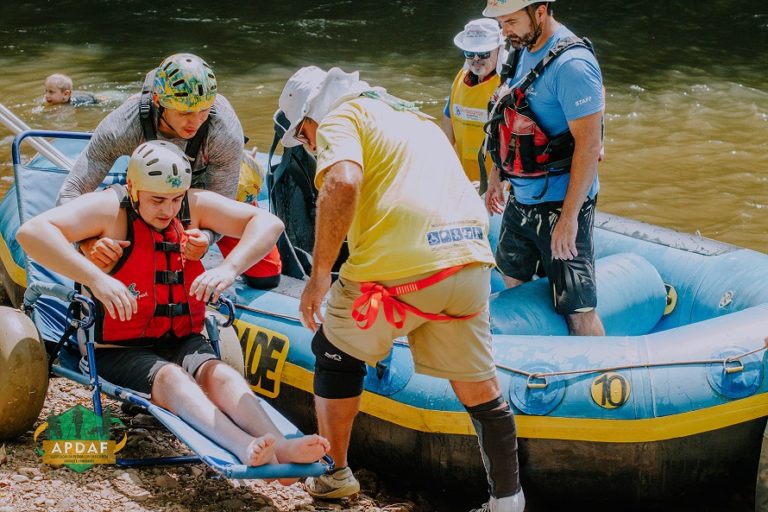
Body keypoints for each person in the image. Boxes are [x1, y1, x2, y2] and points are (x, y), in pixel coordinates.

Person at [276, 66, 525, 512]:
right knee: (479, 387)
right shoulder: (412, 117)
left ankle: (334, 475)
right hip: (468, 258)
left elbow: (343, 181)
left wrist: (319, 276)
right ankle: (507, 501)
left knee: (333, 349)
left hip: (399, 267)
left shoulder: (339, 118)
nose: (310, 146)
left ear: (310, 119)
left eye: (305, 137)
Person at [17, 140, 329, 469]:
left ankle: (280, 446)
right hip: (115, 349)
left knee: (220, 374)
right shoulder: (109, 209)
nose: (168, 210)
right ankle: (244, 446)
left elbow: (270, 224)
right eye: (157, 200)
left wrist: (228, 268)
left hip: (181, 337)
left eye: (175, 199)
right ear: (133, 188)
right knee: (172, 378)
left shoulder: (191, 206)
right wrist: (96, 279)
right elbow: (32, 232)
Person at [55, 53, 279, 289]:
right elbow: (72, 190)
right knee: (116, 258)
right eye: (184, 113)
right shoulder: (124, 126)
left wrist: (206, 237)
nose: (195, 121)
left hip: (205, 191)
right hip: (151, 191)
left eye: (203, 110)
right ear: (157, 101)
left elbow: (222, 201)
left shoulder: (223, 130)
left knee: (266, 277)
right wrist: (86, 242)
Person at [482, 0, 606, 336]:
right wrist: (497, 174)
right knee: (512, 279)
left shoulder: (573, 67)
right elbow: (506, 117)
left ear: (540, 12)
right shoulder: (521, 48)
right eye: (501, 22)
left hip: (560, 205)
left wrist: (568, 220)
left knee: (578, 308)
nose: (504, 31)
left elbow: (589, 147)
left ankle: (596, 373)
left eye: (510, 21)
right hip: (521, 200)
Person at [441, 19, 503, 185]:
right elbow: (447, 132)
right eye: (470, 53)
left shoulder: (508, 84)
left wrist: (497, 183)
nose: (476, 59)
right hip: (463, 180)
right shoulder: (459, 80)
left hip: (498, 184)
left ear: (499, 50)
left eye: (483, 53)